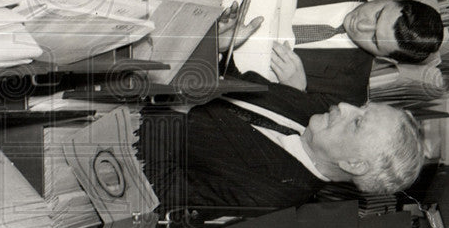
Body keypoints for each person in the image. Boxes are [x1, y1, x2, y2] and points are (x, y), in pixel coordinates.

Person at [138, 72, 424, 212]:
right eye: (361, 107)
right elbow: (236, 82)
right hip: (157, 76)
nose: (345, 106)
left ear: (353, 164)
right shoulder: (313, 115)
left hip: (128, 120)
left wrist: (174, 108)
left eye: (357, 122)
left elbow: (159, 189)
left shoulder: (267, 196)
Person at [220, 0, 444, 112]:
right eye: (377, 15)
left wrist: (295, 91)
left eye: (374, 39)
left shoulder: (348, 95)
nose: (362, 26)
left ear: (386, 58)